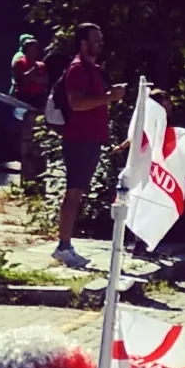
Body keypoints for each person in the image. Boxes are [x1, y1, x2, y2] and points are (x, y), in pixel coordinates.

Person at [54, 20, 125, 270]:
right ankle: (63, 246)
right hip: (79, 139)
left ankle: (66, 245)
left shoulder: (93, 68)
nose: (100, 43)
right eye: (96, 39)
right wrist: (109, 97)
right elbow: (77, 103)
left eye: (101, 39)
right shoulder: (77, 69)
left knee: (78, 192)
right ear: (84, 43)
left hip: (91, 138)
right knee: (73, 192)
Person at [11, 34, 50, 111]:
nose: (36, 50)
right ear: (28, 48)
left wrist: (32, 78)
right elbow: (21, 79)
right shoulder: (19, 61)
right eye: (34, 47)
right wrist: (31, 72)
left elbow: (45, 80)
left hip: (38, 98)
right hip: (24, 97)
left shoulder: (41, 64)